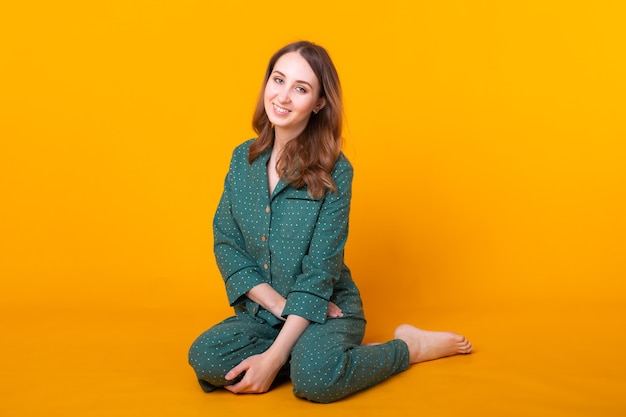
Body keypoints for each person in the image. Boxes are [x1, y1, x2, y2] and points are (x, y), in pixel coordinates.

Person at [188, 40, 473, 404]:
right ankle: (310, 356)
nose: (283, 97)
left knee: (316, 381)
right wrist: (278, 305)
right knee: (205, 356)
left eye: (301, 88)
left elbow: (320, 272)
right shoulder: (242, 158)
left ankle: (408, 348)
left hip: (327, 310)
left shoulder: (336, 172)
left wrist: (274, 359)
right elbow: (226, 243)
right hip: (265, 311)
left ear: (319, 103)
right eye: (278, 80)